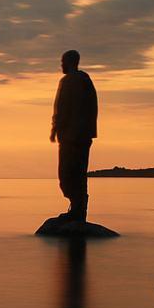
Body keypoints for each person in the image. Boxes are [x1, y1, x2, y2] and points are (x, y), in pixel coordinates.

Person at [49, 49, 98, 222]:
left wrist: (55, 129)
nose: (61, 65)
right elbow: (92, 107)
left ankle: (77, 211)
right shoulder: (85, 80)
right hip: (83, 136)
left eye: (63, 61)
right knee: (78, 174)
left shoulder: (69, 81)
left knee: (68, 174)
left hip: (72, 136)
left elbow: (61, 108)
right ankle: (78, 210)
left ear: (70, 62)